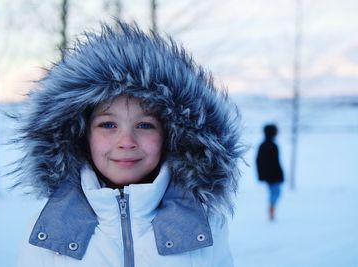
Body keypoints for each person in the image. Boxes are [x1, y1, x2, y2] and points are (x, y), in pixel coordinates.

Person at [14, 21, 243, 267]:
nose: (126, 142)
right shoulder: (49, 229)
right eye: (108, 125)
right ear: (81, 134)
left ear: (172, 135)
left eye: (145, 125)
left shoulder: (203, 224)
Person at [256, 124, 284, 221]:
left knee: (275, 193)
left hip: (271, 176)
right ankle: (271, 212)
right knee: (275, 193)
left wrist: (261, 175)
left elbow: (259, 161)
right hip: (273, 176)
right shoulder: (271, 146)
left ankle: (272, 211)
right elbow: (261, 161)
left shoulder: (264, 145)